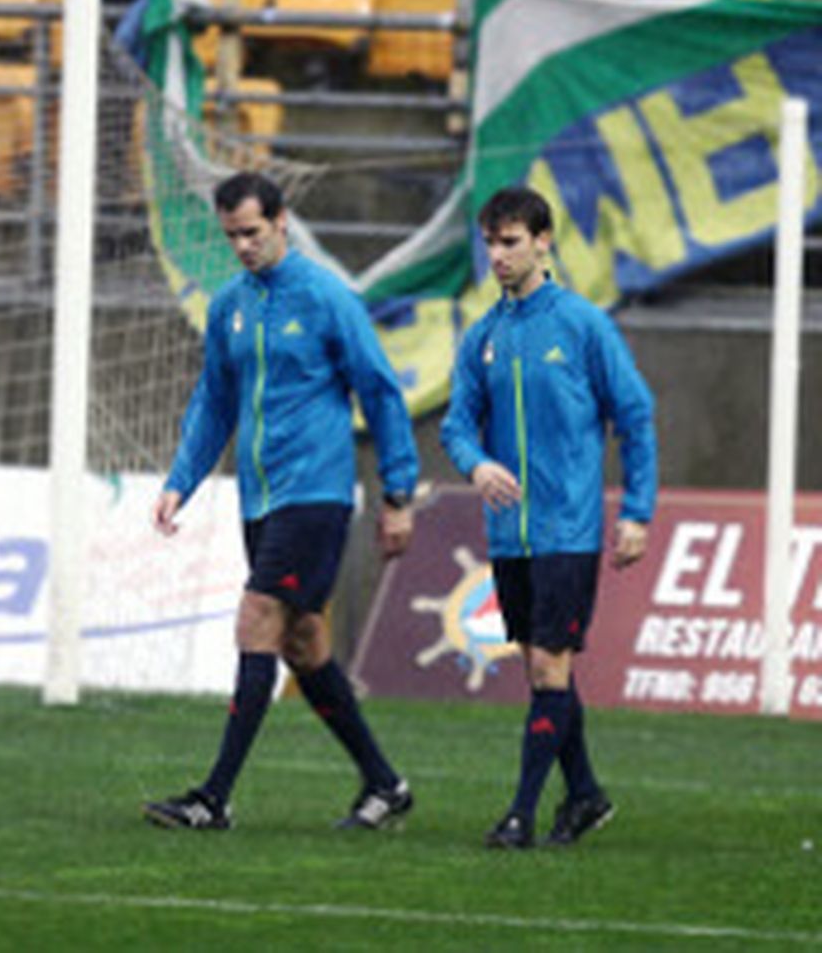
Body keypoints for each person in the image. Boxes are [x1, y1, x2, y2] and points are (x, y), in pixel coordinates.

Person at [142, 172, 420, 833]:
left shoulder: (326, 297)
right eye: (231, 235)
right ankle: (385, 782)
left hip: (317, 494)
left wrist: (399, 492)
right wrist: (180, 478)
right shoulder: (230, 305)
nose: (241, 246)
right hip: (260, 498)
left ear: (281, 221)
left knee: (257, 618)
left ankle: (214, 796)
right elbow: (215, 400)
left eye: (252, 232)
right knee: (302, 640)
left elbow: (380, 392)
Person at [440, 186, 657, 849]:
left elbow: (636, 415)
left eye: (509, 242)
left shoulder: (584, 325)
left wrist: (637, 511)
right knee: (544, 668)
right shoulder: (483, 336)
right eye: (490, 244)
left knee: (547, 668)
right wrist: (476, 463)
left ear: (543, 240)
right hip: (510, 535)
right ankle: (586, 794)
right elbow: (455, 424)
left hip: (567, 530)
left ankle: (520, 814)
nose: (498, 256)